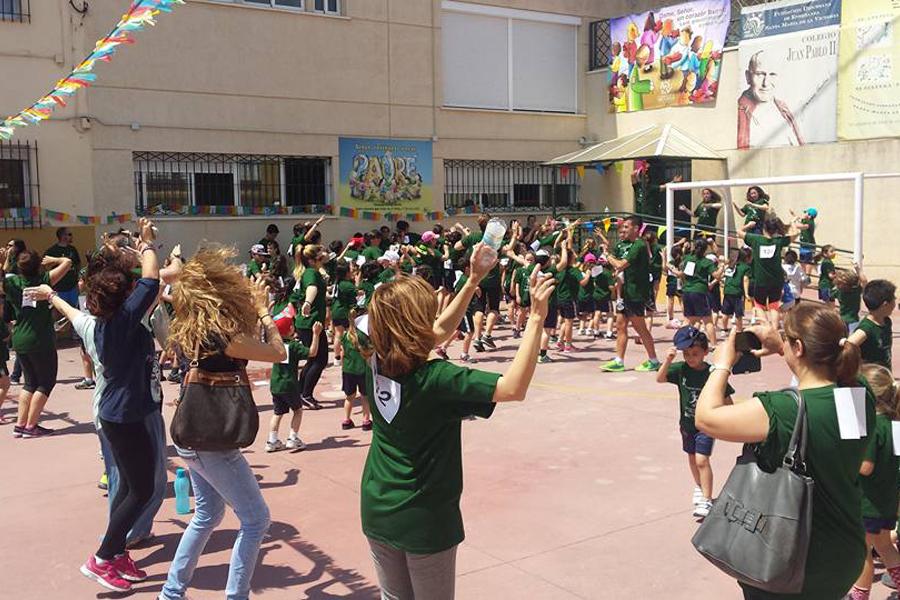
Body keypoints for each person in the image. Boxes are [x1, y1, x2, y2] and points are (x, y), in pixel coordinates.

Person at [358, 244, 556, 600]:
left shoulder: (374, 354)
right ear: (415, 322)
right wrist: (536, 318)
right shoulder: (437, 378)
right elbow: (512, 388)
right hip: (423, 516)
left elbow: (434, 332)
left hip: (378, 505)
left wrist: (473, 279)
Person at [695, 304, 873, 600]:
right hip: (844, 553)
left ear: (799, 347)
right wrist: (782, 345)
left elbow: (706, 418)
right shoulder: (858, 394)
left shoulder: (784, 410)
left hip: (790, 562)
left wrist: (721, 365)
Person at [161, 246, 286, 600]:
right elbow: (278, 352)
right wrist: (264, 312)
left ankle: (171, 592)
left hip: (191, 434)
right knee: (256, 520)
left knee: (207, 514)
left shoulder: (192, 326)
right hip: (214, 441)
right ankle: (235, 595)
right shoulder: (224, 338)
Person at [49, 218, 160, 591]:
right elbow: (151, 280)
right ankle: (101, 558)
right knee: (142, 490)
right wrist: (147, 245)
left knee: (130, 486)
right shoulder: (123, 321)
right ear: (123, 298)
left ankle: (115, 553)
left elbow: (74, 313)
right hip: (124, 417)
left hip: (118, 414)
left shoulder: (99, 323)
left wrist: (51, 297)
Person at [657, 326, 733, 519]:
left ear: (705, 352)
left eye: (695, 354)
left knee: (701, 460)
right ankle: (699, 486)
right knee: (692, 458)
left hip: (706, 425)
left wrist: (727, 418)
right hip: (687, 424)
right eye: (686, 354)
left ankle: (707, 499)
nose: (690, 358)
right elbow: (660, 378)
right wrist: (668, 360)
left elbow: (727, 398)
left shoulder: (712, 373)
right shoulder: (681, 369)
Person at [2, 248, 72, 437]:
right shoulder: (44, 281)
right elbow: (67, 262)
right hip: (40, 339)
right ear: (38, 265)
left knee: (30, 383)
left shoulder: (12, 283)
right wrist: (53, 259)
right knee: (46, 382)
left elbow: (4, 276)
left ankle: (20, 425)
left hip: (20, 338)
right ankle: (31, 426)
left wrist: (6, 261)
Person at [847, 363, 900, 599]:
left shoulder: (873, 427)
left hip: (868, 503)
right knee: (885, 546)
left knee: (862, 550)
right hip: (886, 499)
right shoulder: (894, 423)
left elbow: (865, 467)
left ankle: (860, 595)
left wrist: (843, 459)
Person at [600, 215, 660, 372]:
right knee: (620, 326)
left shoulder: (639, 245)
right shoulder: (629, 245)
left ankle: (653, 360)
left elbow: (620, 264)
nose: (623, 230)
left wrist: (607, 255)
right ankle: (619, 361)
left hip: (635, 294)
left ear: (636, 228)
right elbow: (619, 267)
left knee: (640, 328)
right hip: (625, 294)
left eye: (626, 227)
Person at [266, 286, 322, 453]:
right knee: (297, 410)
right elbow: (312, 353)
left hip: (275, 384)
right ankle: (292, 438)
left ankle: (272, 441)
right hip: (290, 384)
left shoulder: (275, 345)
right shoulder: (294, 346)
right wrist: (316, 334)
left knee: (277, 413)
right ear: (291, 329)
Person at [736, 215, 798, 325]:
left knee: (759, 306)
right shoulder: (778, 241)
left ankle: (766, 326)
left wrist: (748, 225)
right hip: (776, 280)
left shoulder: (755, 239)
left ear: (764, 228)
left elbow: (739, 232)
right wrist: (793, 222)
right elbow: (796, 233)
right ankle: (774, 328)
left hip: (761, 280)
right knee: (774, 306)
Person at [737, 49, 804, 149]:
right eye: (760, 74)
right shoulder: (738, 112)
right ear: (748, 77)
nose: (766, 83)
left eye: (772, 74)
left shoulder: (784, 109)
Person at [292, 244, 329, 409]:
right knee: (319, 360)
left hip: (310, 322)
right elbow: (312, 288)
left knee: (314, 359)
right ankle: (305, 394)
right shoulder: (311, 273)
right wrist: (308, 302)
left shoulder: (312, 271)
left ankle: (301, 392)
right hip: (310, 323)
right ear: (313, 260)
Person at [672, 237, 719, 347]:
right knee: (708, 320)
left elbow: (684, 275)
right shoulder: (706, 262)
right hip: (699, 291)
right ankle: (714, 345)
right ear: (705, 249)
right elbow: (716, 275)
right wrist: (722, 266)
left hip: (687, 291)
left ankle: (680, 342)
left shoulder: (689, 259)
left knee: (688, 319)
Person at [848, 279, 896, 371]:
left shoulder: (886, 321)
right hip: (871, 376)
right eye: (894, 298)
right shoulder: (866, 328)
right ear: (885, 304)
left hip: (884, 373)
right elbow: (848, 345)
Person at [340, 310, 371, 430]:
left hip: (348, 370)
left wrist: (343, 365)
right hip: (362, 369)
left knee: (349, 396)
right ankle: (366, 420)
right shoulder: (363, 336)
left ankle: (346, 420)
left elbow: (342, 353)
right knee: (365, 396)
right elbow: (368, 351)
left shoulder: (345, 336)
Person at [45, 227, 82, 309]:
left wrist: (78, 279)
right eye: (69, 234)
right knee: (59, 310)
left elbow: (78, 264)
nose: (71, 236)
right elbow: (45, 266)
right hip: (59, 288)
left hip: (72, 287)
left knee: (74, 309)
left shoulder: (72, 249)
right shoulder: (52, 251)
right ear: (63, 236)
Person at [721, 247, 752, 333]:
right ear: (747, 258)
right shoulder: (746, 268)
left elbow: (724, 275)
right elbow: (745, 280)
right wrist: (746, 294)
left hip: (727, 291)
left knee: (725, 312)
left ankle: (724, 329)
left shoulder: (732, 265)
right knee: (738, 314)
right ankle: (739, 330)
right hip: (738, 292)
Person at [331, 262, 356, 365]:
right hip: (343, 312)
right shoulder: (348, 285)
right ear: (346, 273)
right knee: (349, 333)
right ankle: (348, 355)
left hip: (335, 310)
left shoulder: (337, 283)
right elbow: (356, 293)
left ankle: (337, 358)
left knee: (338, 334)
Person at [834, 264, 867, 333]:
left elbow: (830, 297)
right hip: (853, 320)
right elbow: (864, 281)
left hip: (841, 319)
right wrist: (858, 270)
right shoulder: (856, 291)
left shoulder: (838, 292)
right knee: (853, 337)